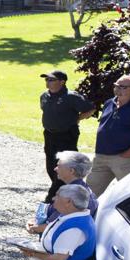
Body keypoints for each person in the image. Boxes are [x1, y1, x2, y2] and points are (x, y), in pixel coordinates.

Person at [88, 75, 130, 196]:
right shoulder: (109, 103)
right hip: (102, 157)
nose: (118, 89)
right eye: (116, 86)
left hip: (127, 158)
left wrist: (129, 153)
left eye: (123, 87)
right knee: (89, 192)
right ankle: (87, 214)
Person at [38, 69, 94, 202]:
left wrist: (76, 119)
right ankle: (60, 191)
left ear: (62, 82)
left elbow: (90, 109)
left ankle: (52, 197)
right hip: (49, 135)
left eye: (51, 79)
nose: (48, 82)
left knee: (66, 166)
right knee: (51, 165)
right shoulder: (44, 96)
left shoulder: (71, 96)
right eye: (46, 79)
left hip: (66, 135)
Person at [27, 151, 94, 234]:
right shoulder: (79, 189)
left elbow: (59, 226)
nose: (55, 169)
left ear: (71, 171)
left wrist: (35, 228)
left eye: (59, 166)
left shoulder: (73, 195)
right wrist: (34, 222)